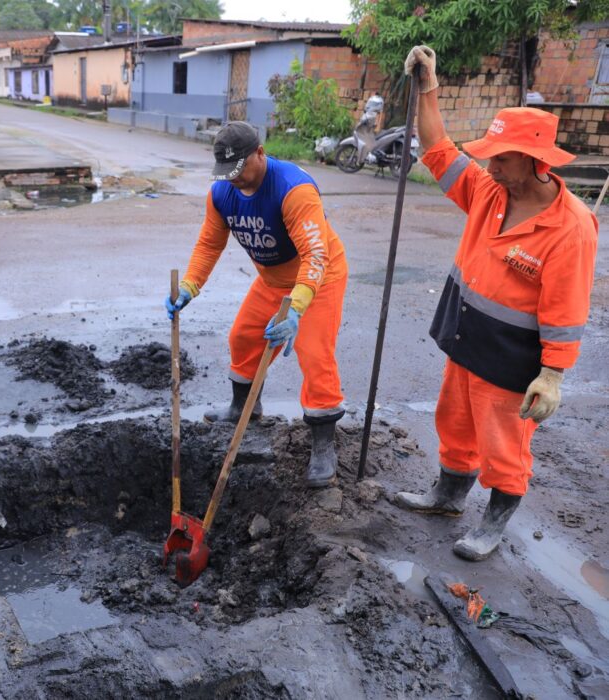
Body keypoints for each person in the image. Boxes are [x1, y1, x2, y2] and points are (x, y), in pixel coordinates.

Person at [393, 46, 598, 561]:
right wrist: (428, 87)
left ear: (534, 160)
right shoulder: (489, 191)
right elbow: (438, 149)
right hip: (465, 335)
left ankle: (493, 522)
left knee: (503, 444)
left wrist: (552, 375)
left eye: (502, 158)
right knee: (455, 423)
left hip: (511, 356)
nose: (491, 165)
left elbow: (567, 309)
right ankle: (447, 496)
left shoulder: (570, 228)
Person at [165, 121, 349, 488]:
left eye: (239, 169)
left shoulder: (293, 190)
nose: (233, 178)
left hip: (319, 279)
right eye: (226, 171)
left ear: (260, 153)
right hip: (272, 280)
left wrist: (296, 309)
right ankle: (243, 409)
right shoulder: (222, 193)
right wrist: (189, 286)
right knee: (243, 337)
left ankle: (323, 446)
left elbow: (316, 255)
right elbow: (209, 244)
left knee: (315, 356)